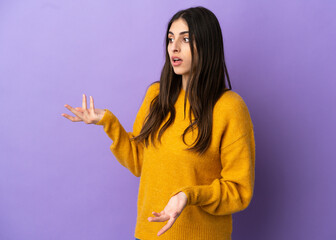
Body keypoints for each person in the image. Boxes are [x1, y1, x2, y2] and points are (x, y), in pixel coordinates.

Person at [62, 6, 255, 240]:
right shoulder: (157, 96)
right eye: (171, 38)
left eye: (185, 39)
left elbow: (239, 190)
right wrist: (107, 122)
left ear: (207, 45)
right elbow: (139, 161)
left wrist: (188, 196)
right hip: (149, 235)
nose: (174, 47)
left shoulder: (229, 107)